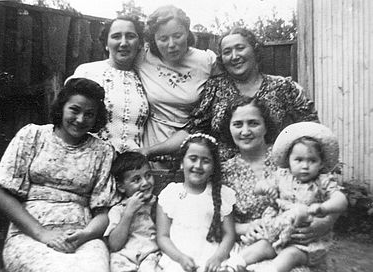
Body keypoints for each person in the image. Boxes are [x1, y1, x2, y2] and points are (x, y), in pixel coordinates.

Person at [141, 26, 319, 163]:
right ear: (222, 59)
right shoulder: (215, 88)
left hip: (275, 176)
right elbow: (191, 131)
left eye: (240, 48)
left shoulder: (283, 87)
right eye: (227, 52)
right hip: (224, 178)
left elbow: (311, 129)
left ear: (255, 50)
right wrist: (150, 151)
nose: (234, 56)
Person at [0, 78, 119, 272]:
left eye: (89, 114)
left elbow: (102, 214)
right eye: (74, 110)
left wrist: (84, 236)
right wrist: (44, 234)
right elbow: (4, 198)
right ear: (61, 107)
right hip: (31, 233)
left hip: (81, 237)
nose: (80, 119)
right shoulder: (32, 136)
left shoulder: (103, 151)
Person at [220, 96, 339, 272]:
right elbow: (217, 221)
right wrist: (246, 227)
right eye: (238, 124)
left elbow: (326, 195)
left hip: (298, 245)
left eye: (253, 123)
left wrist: (323, 224)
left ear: (266, 125)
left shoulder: (293, 159)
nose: (245, 131)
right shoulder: (224, 171)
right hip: (253, 245)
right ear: (229, 128)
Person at [135, 5, 218, 168]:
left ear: (187, 32)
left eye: (177, 36)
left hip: (192, 145)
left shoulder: (206, 61)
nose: (171, 44)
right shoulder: (142, 59)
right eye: (163, 39)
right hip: (151, 148)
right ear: (153, 40)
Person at [156, 133, 240, 272]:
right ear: (182, 162)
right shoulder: (170, 194)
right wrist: (180, 258)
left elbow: (229, 234)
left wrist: (218, 258)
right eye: (193, 159)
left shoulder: (222, 194)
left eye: (206, 161)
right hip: (179, 258)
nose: (198, 165)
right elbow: (162, 236)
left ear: (213, 167)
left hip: (211, 257)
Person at [67, 15, 149, 153]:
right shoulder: (87, 71)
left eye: (130, 36)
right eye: (116, 36)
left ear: (140, 43)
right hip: (92, 160)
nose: (123, 43)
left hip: (131, 168)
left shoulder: (145, 78)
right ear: (106, 43)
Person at [104, 151, 160, 272]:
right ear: (121, 187)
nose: (145, 183)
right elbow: (114, 245)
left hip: (150, 256)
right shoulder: (118, 210)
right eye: (136, 180)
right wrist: (128, 213)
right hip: (123, 257)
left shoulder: (159, 205)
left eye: (148, 175)